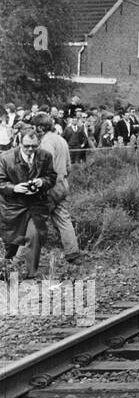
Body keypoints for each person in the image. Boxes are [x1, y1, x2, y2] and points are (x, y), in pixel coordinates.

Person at [0, 126, 57, 277]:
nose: (30, 149)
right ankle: (7, 270)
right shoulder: (6, 158)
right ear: (19, 142)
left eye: (34, 146)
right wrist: (14, 188)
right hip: (13, 206)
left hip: (36, 204)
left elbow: (52, 177)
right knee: (11, 242)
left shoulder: (46, 156)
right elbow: (0, 182)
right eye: (26, 146)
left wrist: (42, 182)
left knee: (34, 235)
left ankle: (31, 274)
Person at [35, 113, 82, 265]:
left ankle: (16, 261)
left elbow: (46, 167)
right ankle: (73, 253)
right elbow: (68, 166)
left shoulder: (46, 142)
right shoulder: (61, 140)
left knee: (32, 220)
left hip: (50, 186)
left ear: (40, 127)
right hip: (63, 184)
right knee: (62, 217)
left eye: (35, 126)